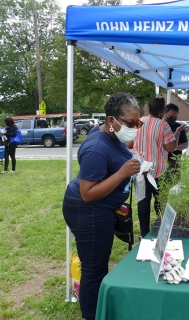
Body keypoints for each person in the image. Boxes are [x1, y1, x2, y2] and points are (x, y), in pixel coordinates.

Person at [62, 92, 142, 320]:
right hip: (89, 211)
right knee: (93, 271)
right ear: (111, 120)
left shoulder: (112, 135)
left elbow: (122, 147)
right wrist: (122, 173)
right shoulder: (96, 147)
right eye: (130, 123)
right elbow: (88, 194)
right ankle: (92, 315)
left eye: (138, 122)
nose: (135, 127)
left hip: (101, 210)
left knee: (98, 264)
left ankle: (99, 309)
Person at [133, 97, 187, 237]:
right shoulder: (163, 125)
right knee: (160, 200)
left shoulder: (138, 122)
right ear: (160, 111)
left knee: (143, 202)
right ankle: (162, 229)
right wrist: (177, 133)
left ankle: (144, 233)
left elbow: (129, 143)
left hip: (140, 170)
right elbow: (170, 148)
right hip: (158, 171)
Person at [154, 103, 189, 214]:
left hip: (174, 161)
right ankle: (160, 213)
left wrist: (172, 147)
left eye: (175, 117)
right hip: (160, 162)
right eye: (171, 117)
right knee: (160, 190)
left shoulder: (179, 127)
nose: (173, 119)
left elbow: (185, 145)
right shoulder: (158, 126)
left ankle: (170, 212)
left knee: (172, 186)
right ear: (165, 113)